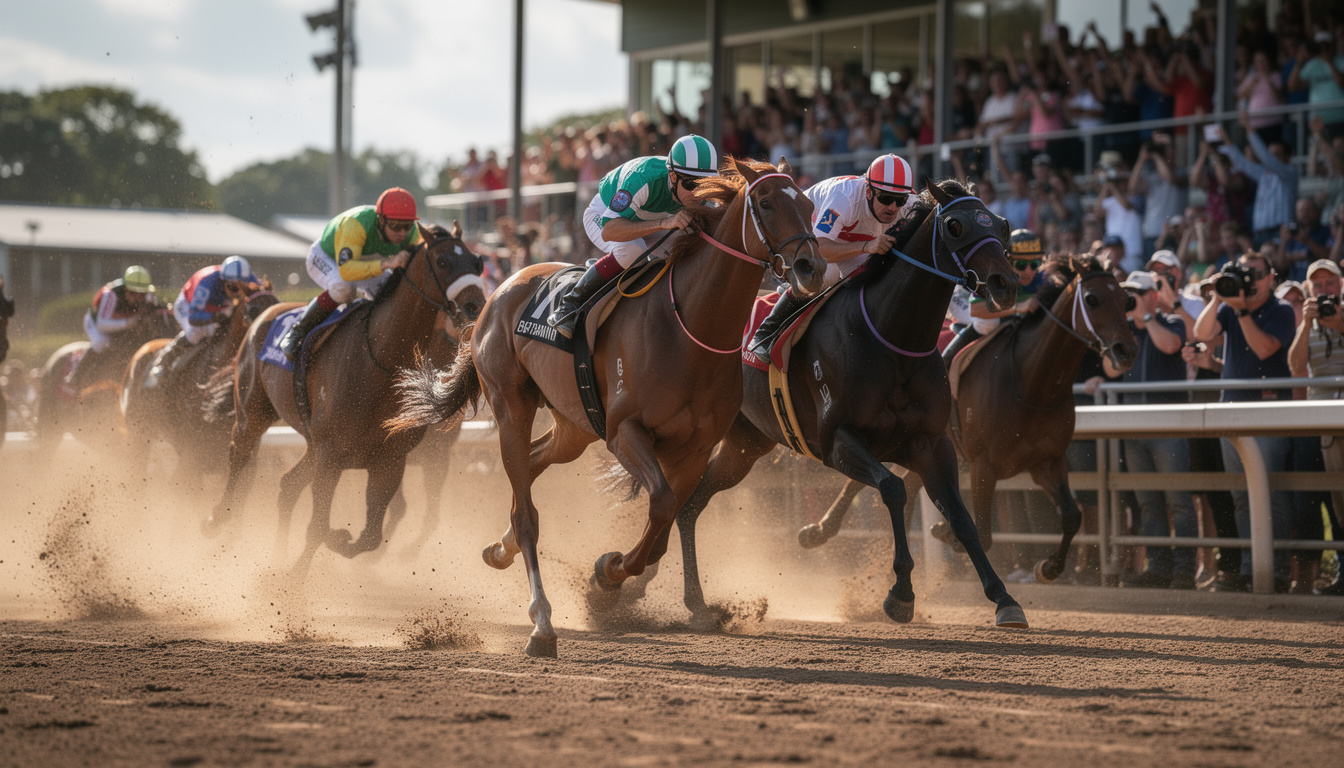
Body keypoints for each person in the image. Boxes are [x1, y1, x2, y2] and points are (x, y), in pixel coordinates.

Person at [1191, 251, 1297, 592]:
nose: (1248, 280)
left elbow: (1265, 349)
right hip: (1232, 413)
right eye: (1243, 273)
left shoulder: (1280, 310)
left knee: (1271, 497)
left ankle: (1277, 573)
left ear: (1270, 277)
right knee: (1241, 497)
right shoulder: (1229, 304)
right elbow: (1202, 332)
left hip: (1267, 415)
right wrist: (1219, 296)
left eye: (1255, 273)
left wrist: (1240, 309)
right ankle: (1251, 570)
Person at [747, 153, 916, 364]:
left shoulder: (911, 205)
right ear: (869, 191)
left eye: (899, 200)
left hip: (849, 240)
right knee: (827, 274)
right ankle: (766, 332)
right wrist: (866, 246)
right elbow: (820, 249)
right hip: (810, 234)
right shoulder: (843, 198)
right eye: (885, 198)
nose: (892, 207)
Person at [547, 134, 720, 339]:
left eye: (705, 185)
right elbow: (609, 229)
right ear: (673, 177)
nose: (699, 193)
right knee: (633, 249)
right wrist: (663, 224)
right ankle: (570, 304)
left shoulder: (691, 189)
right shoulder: (643, 179)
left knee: (689, 247)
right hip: (604, 216)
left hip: (648, 219)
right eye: (692, 185)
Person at [1106, 271, 1196, 589]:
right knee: (1148, 503)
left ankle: (1185, 570)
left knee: (1179, 501)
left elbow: (1170, 346)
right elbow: (1111, 367)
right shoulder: (1125, 330)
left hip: (1168, 428)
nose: (1131, 299)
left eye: (1137, 293)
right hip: (1135, 429)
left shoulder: (1172, 322)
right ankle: (1158, 567)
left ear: (1153, 296)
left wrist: (1146, 317)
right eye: (1127, 294)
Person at [281, 187, 423, 361]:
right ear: (381, 219)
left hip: (365, 258)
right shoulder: (356, 224)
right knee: (344, 289)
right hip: (327, 257)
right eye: (395, 226)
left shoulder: (412, 233)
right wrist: (387, 263)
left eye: (407, 226)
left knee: (390, 293)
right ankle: (297, 331)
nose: (401, 233)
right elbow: (347, 271)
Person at [1286, 259, 1344, 595]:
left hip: (1340, 418)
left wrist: (1337, 321)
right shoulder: (1307, 322)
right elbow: (1295, 367)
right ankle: (1305, 577)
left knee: (1341, 501)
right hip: (1316, 418)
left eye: (1329, 283)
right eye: (1317, 285)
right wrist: (1307, 325)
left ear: (1340, 285)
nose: (1323, 290)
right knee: (1307, 499)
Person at [145, 256, 259, 388]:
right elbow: (195, 319)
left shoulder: (251, 279)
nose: (238, 293)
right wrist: (216, 317)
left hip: (220, 306)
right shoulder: (208, 282)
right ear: (223, 281)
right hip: (188, 305)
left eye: (242, 288)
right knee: (196, 333)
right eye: (233, 288)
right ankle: (163, 363)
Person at [941, 229, 1045, 366]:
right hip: (963, 298)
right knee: (989, 323)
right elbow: (976, 310)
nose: (1029, 271)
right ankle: (945, 363)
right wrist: (1018, 307)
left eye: (1034, 264)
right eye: (1021, 265)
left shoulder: (1042, 278)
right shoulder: (995, 276)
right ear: (1008, 261)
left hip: (990, 304)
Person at [69, 265, 159, 392]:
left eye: (142, 294)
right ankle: (77, 376)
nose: (138, 298)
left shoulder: (149, 296)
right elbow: (102, 325)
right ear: (126, 290)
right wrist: (128, 323)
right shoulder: (110, 295)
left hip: (123, 325)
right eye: (134, 293)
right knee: (102, 342)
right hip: (96, 323)